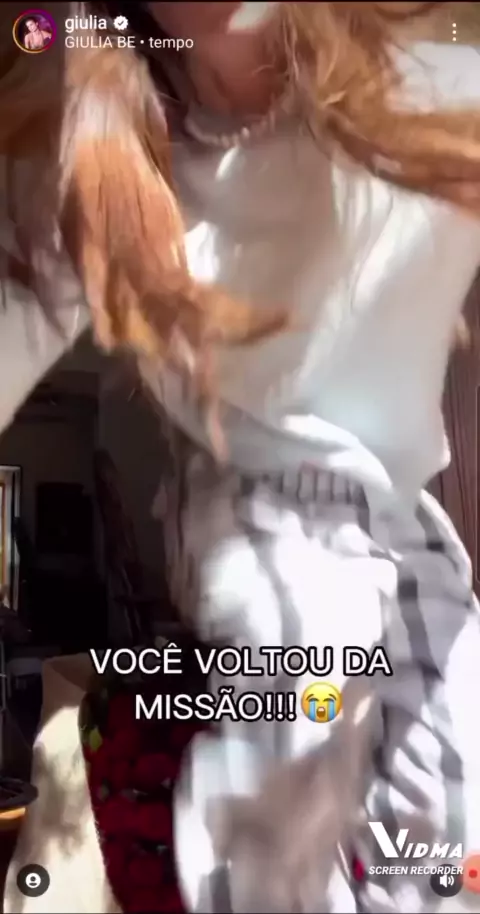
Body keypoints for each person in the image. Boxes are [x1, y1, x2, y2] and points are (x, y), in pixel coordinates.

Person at [2, 1, 480, 910]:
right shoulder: (90, 136)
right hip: (255, 494)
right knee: (309, 664)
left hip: (397, 507)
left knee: (451, 797)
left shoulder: (442, 67)